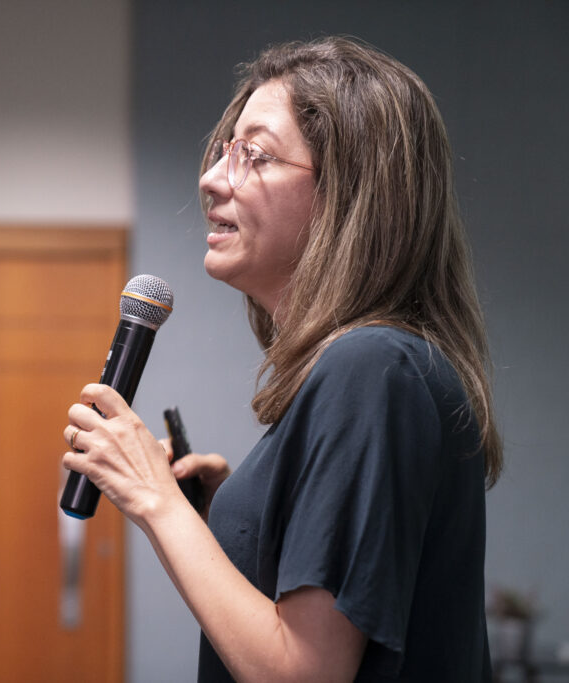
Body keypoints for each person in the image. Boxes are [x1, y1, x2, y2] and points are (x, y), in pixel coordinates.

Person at [62, 36, 501, 682]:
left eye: (255, 156)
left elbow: (304, 670)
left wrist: (156, 499)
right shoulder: (390, 366)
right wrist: (241, 517)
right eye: (222, 153)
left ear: (348, 193)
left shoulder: (372, 368)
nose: (212, 179)